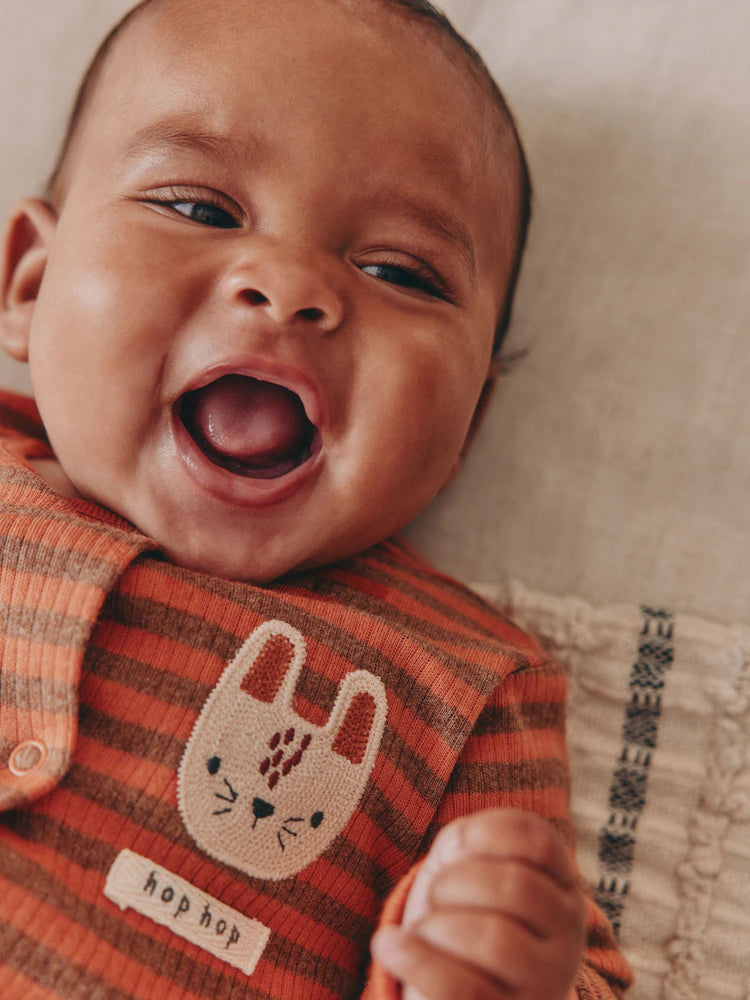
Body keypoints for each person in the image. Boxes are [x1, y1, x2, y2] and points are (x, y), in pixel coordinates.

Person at [0, 0, 632, 997]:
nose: (288, 285)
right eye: (200, 208)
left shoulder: (461, 687)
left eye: (397, 271)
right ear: (30, 284)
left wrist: (503, 968)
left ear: (466, 424)